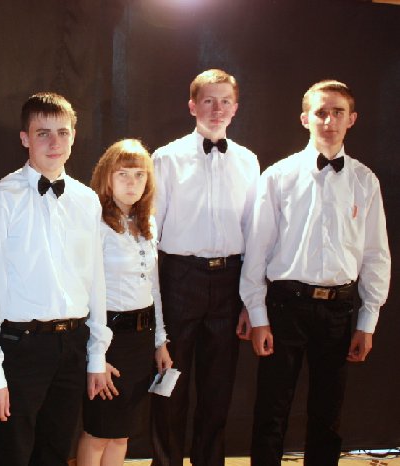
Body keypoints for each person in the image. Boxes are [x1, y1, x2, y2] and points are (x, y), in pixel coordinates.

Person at [240, 79, 391, 466]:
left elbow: (376, 255)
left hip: (339, 309)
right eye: (321, 112)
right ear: (305, 118)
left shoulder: (364, 181)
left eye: (338, 112)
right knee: (272, 410)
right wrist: (258, 316)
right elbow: (257, 251)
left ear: (352, 119)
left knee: (328, 413)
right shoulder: (278, 176)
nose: (329, 120)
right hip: (285, 306)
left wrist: (367, 322)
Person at [0, 92, 112, 466]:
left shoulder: (87, 199)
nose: (54, 142)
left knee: (55, 454)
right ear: (25, 138)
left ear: (73, 136)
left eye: (62, 132)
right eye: (43, 133)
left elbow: (96, 281)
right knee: (11, 456)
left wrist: (96, 355)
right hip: (20, 348)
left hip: (72, 345)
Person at [150, 69, 260, 466]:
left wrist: (249, 301)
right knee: (169, 382)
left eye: (225, 101)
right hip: (179, 278)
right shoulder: (166, 158)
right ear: (192, 106)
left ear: (235, 108)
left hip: (229, 280)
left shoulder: (248, 161)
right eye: (209, 101)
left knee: (218, 388)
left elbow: (254, 233)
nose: (217, 109)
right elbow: (150, 233)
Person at [76, 139, 172, 466]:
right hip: (109, 339)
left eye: (139, 175)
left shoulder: (147, 222)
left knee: (122, 433)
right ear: (107, 177)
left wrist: (160, 342)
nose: (132, 182)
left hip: (141, 340)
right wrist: (97, 355)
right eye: (123, 174)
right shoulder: (96, 224)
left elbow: (154, 287)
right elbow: (86, 291)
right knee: (99, 431)